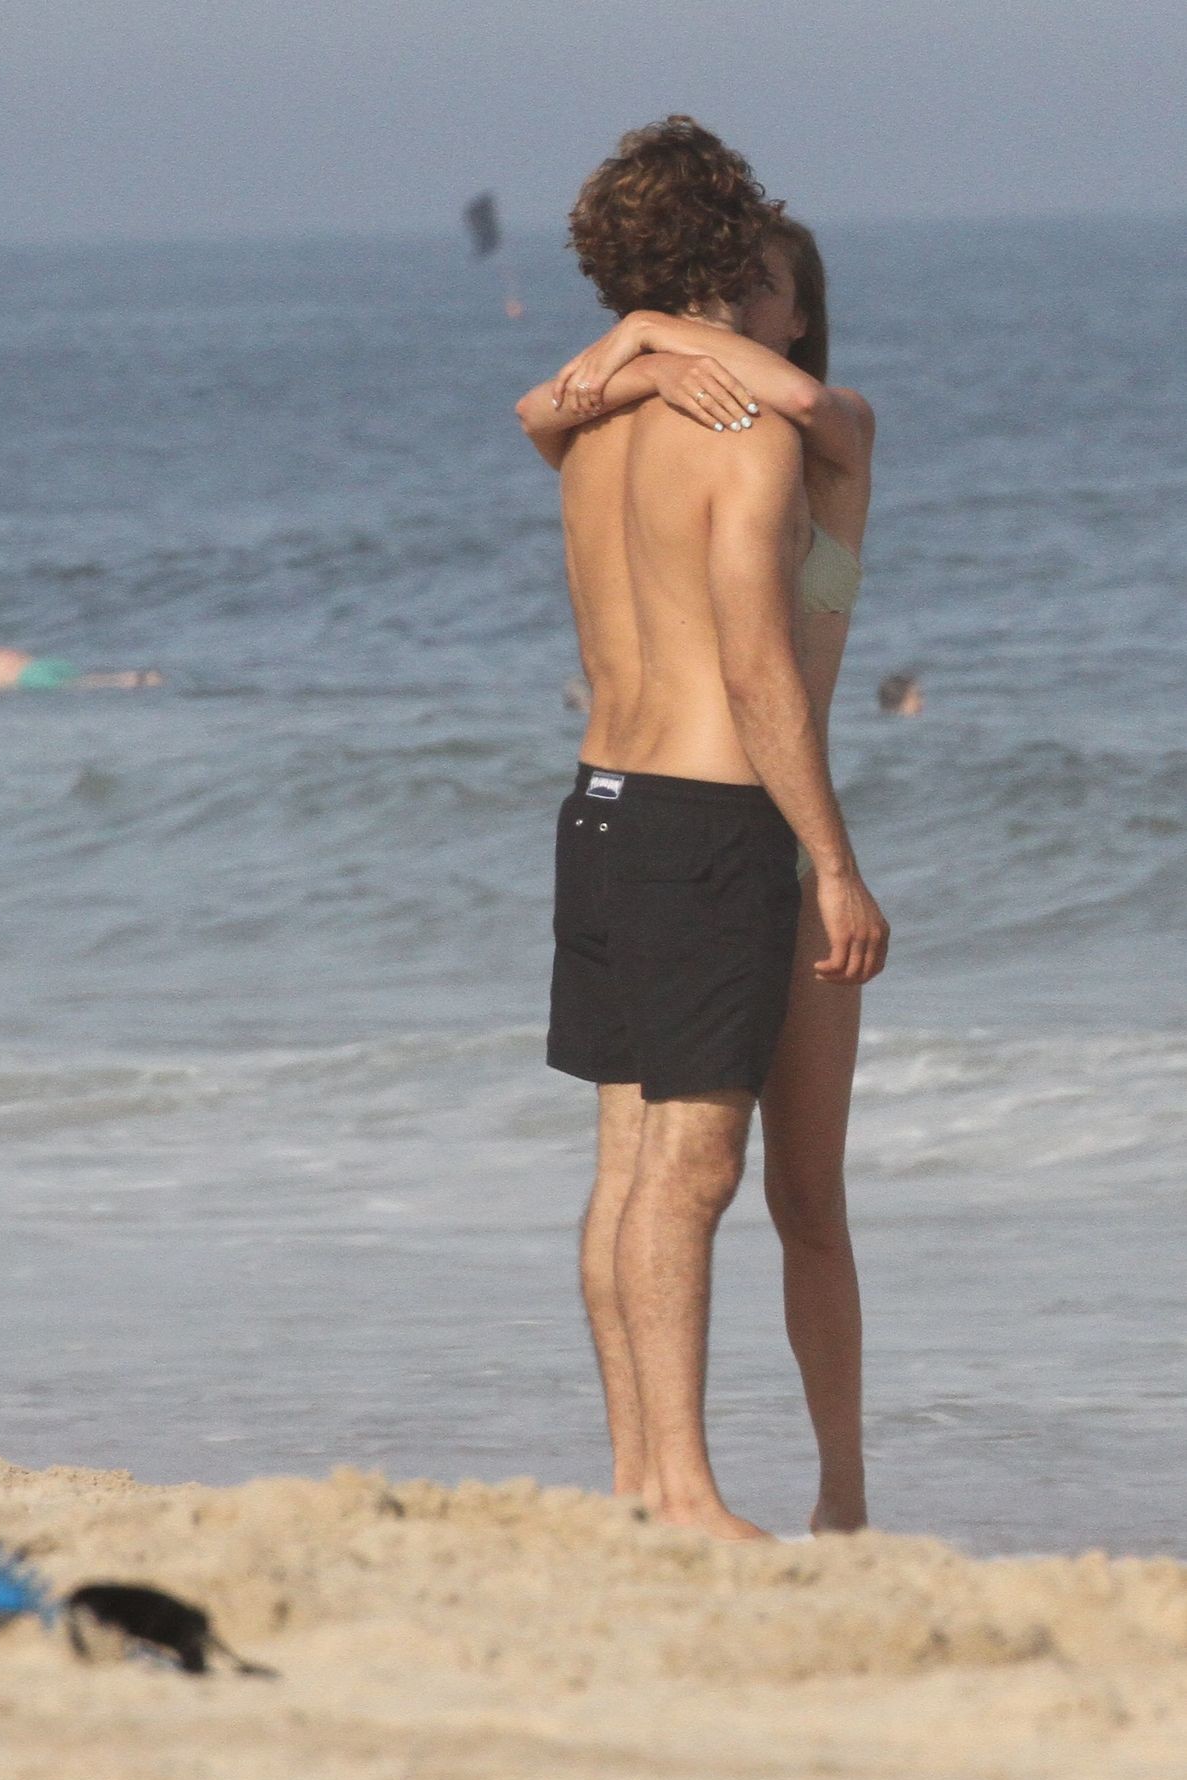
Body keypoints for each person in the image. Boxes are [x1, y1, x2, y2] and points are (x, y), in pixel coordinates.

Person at [514, 116, 888, 1541]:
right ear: (732, 253)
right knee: (688, 1172)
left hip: (604, 810)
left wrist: (637, 342)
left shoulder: (595, 423)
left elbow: (538, 409)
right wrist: (834, 863)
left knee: (638, 1171)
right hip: (715, 818)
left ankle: (651, 1485)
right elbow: (753, 672)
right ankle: (679, 1492)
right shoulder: (740, 437)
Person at [0, 628, 162, 692]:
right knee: (85, 678)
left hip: (29, 676)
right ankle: (133, 676)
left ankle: (127, 681)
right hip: (46, 664)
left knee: (79, 685)